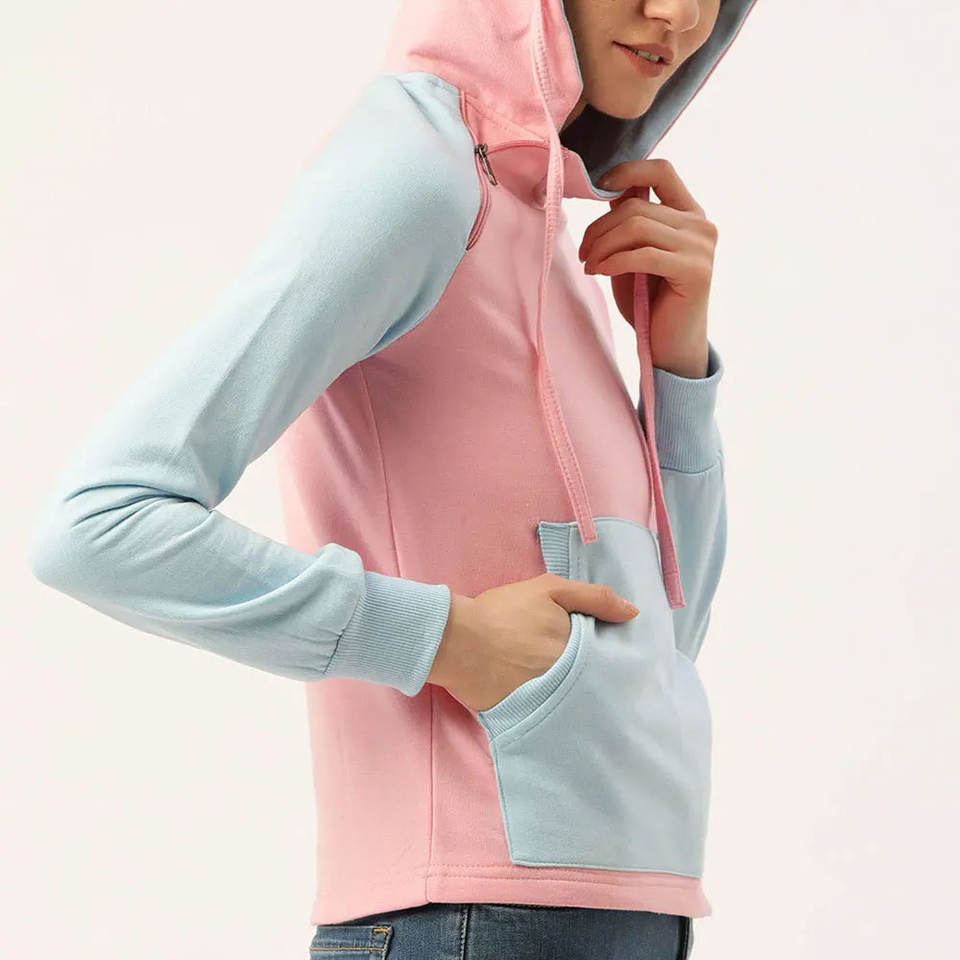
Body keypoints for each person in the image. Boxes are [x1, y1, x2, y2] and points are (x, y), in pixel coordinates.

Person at [28, 1, 759, 957]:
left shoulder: (538, 215)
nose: (680, 13)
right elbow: (98, 524)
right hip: (463, 916)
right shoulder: (416, 170)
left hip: (630, 910)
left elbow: (666, 637)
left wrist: (676, 372)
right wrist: (448, 637)